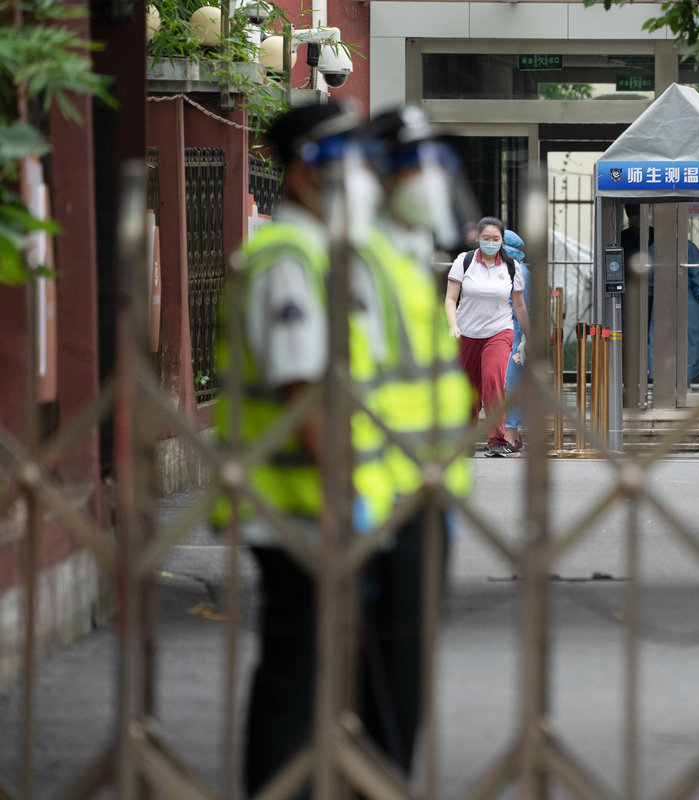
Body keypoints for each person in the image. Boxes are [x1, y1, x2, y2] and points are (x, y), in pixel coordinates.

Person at [210, 103, 404, 793]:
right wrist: (342, 492)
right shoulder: (288, 257)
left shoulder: (321, 251)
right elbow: (304, 389)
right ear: (302, 173)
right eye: (343, 164)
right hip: (300, 507)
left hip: (316, 502)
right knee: (295, 675)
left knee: (319, 670)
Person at [352, 105, 477, 773]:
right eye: (414, 165)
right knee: (377, 683)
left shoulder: (405, 262)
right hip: (380, 503)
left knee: (403, 684)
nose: (430, 180)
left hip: (423, 499)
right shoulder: (359, 263)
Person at [445, 217, 532, 457]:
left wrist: (528, 335)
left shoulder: (512, 267)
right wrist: (453, 325)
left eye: (496, 239)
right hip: (467, 332)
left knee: (493, 380)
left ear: (502, 241)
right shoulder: (464, 262)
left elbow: (519, 304)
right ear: (478, 238)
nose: (491, 243)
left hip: (499, 331)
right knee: (468, 389)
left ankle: (497, 441)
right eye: (486, 238)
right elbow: (451, 298)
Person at [622, 205, 699, 385]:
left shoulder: (655, 247)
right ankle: (683, 384)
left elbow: (648, 281)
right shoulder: (686, 246)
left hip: (662, 303)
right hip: (684, 303)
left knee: (664, 342)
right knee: (689, 342)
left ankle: (666, 385)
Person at [502, 229, 531, 453]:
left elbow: (524, 308)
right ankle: (512, 435)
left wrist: (524, 339)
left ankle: (510, 436)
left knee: (510, 384)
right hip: (506, 332)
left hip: (515, 335)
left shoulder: (519, 271)